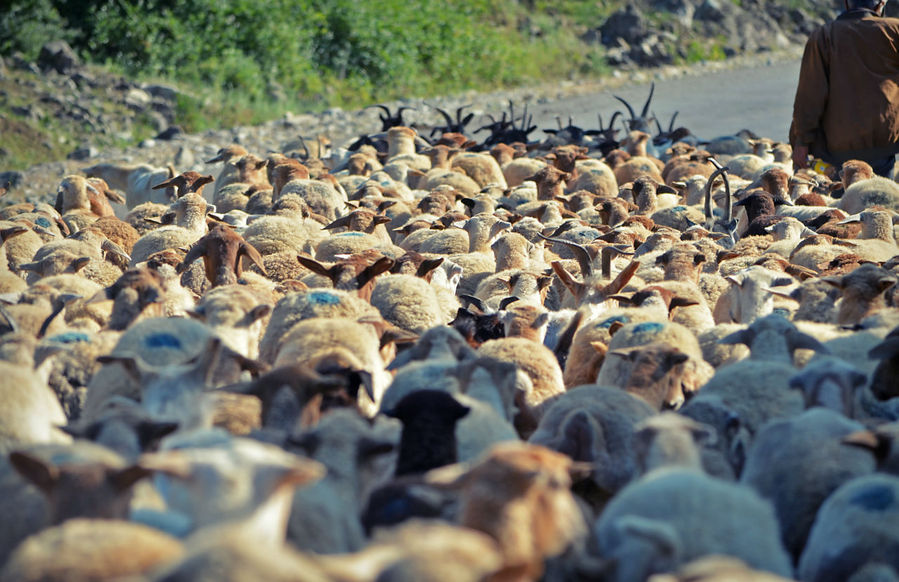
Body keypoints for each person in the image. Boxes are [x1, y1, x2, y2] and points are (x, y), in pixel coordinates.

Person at [790, 0, 899, 177]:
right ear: (880, 4)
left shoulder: (823, 35)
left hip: (838, 148)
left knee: (841, 200)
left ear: (847, 4)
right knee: (879, 200)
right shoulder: (894, 30)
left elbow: (809, 95)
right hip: (883, 146)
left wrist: (802, 141)